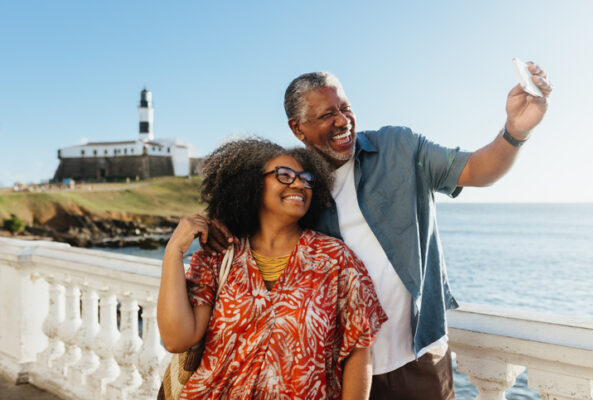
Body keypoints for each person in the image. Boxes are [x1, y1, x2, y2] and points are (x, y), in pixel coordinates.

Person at [205, 65, 552, 399]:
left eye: (346, 108)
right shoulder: (299, 188)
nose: (342, 121)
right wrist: (214, 224)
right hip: (339, 373)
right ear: (298, 129)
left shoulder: (399, 147)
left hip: (418, 359)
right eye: (326, 115)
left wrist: (515, 131)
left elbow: (477, 169)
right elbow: (256, 229)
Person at [157, 138, 388, 399]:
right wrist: (174, 251)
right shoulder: (219, 258)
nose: (299, 183)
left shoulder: (336, 260)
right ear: (253, 184)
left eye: (306, 178)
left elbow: (359, 350)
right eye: (285, 175)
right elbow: (176, 339)